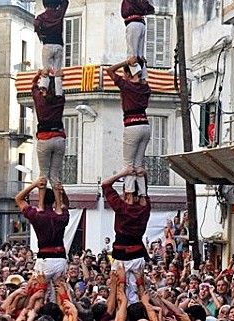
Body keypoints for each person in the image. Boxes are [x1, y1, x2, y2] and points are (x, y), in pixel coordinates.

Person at [101, 169, 151, 305]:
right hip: (137, 253)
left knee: (118, 290)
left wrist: (124, 173)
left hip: (122, 254)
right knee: (138, 288)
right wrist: (143, 177)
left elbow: (105, 184)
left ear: (125, 191)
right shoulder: (145, 208)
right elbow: (143, 194)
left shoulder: (122, 207)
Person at [14, 177, 69, 301]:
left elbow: (18, 199)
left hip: (44, 259)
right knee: (58, 295)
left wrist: (34, 185)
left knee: (39, 294)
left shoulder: (37, 215)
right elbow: (66, 205)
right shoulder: (61, 217)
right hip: (60, 259)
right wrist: (61, 192)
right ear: (54, 201)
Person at [105, 57, 152, 199]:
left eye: (125, 73)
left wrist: (126, 62)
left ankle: (130, 195)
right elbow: (143, 77)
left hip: (132, 125)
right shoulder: (145, 87)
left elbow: (109, 70)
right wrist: (141, 65)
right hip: (145, 125)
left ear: (129, 72)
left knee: (128, 165)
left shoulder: (126, 85)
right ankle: (142, 196)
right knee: (138, 164)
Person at [31, 70, 67, 206]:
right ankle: (59, 205)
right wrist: (57, 77)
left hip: (44, 138)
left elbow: (33, 83)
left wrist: (40, 74)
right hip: (59, 139)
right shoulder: (60, 99)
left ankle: (40, 205)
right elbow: (60, 87)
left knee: (43, 173)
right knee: (55, 175)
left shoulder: (39, 99)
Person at [33, 0, 69, 93]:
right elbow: (65, 2)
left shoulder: (41, 17)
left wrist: (40, 34)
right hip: (58, 44)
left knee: (46, 69)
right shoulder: (59, 13)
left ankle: (44, 90)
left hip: (47, 44)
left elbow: (36, 24)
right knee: (57, 70)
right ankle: (59, 92)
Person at [120, 0, 155, 80]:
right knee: (140, 55)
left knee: (132, 53)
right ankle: (143, 77)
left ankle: (136, 76)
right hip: (141, 24)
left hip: (133, 23)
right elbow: (151, 9)